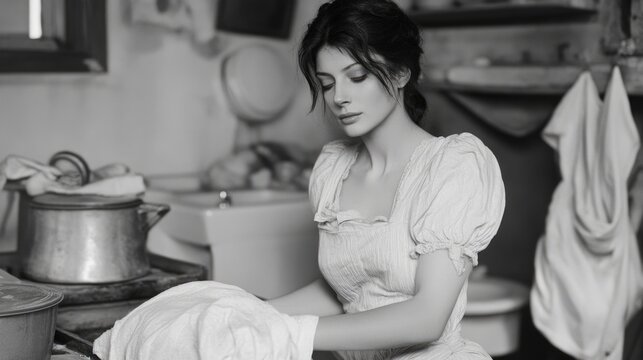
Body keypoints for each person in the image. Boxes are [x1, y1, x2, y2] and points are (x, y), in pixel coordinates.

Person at [267, 0, 506, 359]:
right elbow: (344, 293)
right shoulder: (333, 170)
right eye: (327, 84)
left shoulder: (452, 166)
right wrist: (254, 313)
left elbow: (427, 317)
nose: (339, 98)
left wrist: (289, 332)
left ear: (399, 73)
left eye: (357, 77)